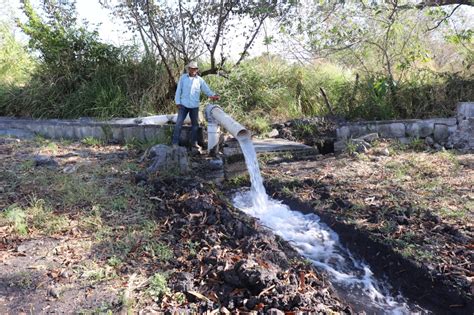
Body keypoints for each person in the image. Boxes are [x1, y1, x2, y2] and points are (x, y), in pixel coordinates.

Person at [172, 61, 220, 149]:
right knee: (179, 123)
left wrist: (213, 96)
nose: (193, 70)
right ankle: (175, 143)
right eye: (191, 68)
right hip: (183, 105)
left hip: (194, 106)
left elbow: (206, 90)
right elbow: (178, 90)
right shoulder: (183, 78)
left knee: (195, 125)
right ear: (189, 69)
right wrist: (177, 102)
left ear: (197, 70)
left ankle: (193, 143)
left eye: (195, 69)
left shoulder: (200, 80)